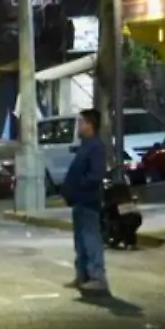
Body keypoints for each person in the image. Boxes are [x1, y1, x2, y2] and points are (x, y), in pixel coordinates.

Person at [60, 109, 109, 293]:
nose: (78, 126)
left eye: (81, 122)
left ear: (90, 125)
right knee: (80, 241)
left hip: (88, 200)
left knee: (90, 239)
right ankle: (83, 275)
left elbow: (95, 175)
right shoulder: (86, 145)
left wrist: (78, 186)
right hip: (79, 201)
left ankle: (98, 277)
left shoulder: (95, 147)